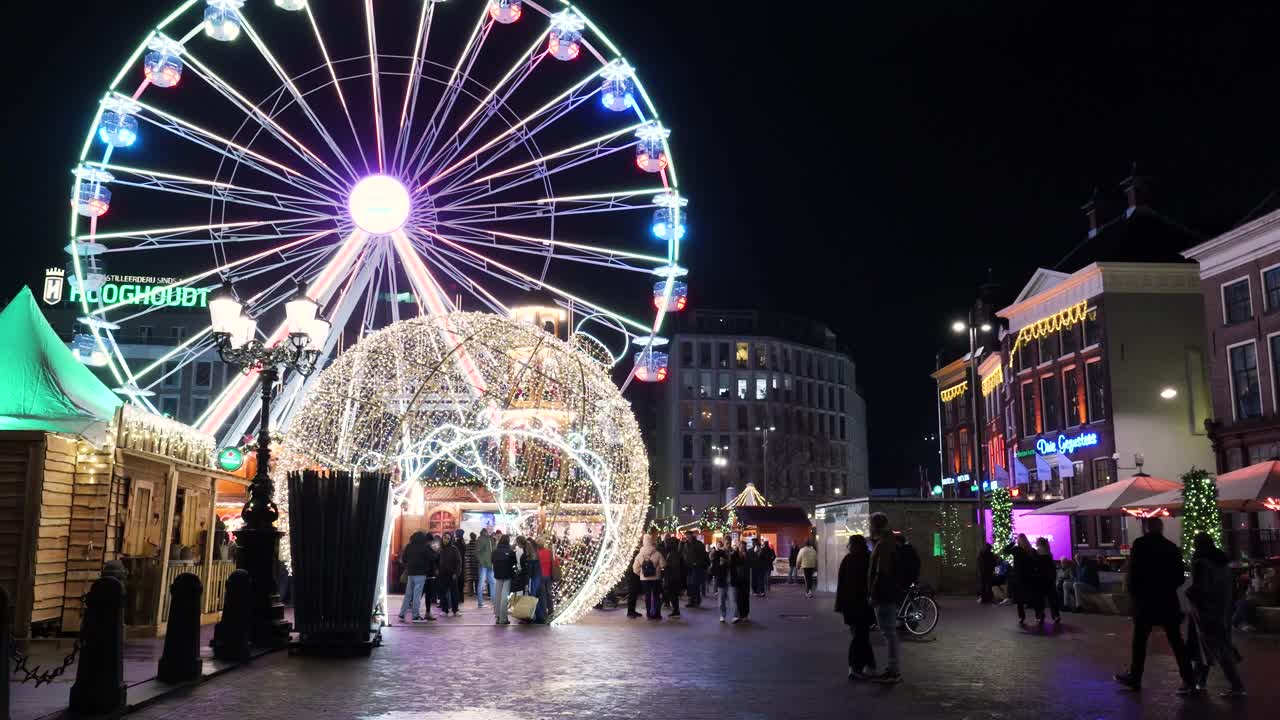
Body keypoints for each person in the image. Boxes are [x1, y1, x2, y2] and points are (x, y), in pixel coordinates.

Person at [1113, 517, 1197, 695]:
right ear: (1161, 528)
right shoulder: (1171, 547)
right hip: (1167, 601)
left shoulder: (1140, 544)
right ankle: (1189, 678)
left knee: (1140, 642)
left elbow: (1133, 574)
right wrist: (1167, 587)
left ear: (1146, 528)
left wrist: (1135, 595)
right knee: (1176, 640)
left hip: (1145, 601)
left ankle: (1135, 678)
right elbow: (1179, 577)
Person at [1186, 533, 1245, 697]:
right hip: (1223, 609)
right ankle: (1199, 682)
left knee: (1214, 647)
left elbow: (1201, 588)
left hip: (1205, 611)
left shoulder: (1200, 563)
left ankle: (1236, 685)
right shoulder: (1222, 562)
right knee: (1207, 647)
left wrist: (1190, 595)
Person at [868, 513, 902, 684]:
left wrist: (874, 594)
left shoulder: (884, 545)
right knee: (889, 632)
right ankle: (892, 669)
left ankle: (893, 670)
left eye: (871, 523)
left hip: (884, 595)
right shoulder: (886, 543)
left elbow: (882, 572)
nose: (869, 527)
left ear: (876, 526)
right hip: (887, 594)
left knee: (888, 632)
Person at [835, 534, 875, 680]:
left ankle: (865, 666)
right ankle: (859, 667)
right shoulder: (868, 559)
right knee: (861, 636)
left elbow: (841, 585)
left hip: (850, 605)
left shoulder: (848, 559)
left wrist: (839, 605)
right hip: (864, 605)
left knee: (859, 636)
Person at [397, 531, 430, 622]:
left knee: (408, 595)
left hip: (410, 573)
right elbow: (430, 558)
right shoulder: (425, 547)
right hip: (421, 574)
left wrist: (408, 566)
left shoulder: (409, 546)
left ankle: (402, 614)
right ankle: (415, 616)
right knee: (417, 595)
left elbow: (404, 559)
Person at [1005, 534, 1036, 626]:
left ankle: (1021, 617)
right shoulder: (1031, 550)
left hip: (1018, 577)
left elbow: (1005, 551)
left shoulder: (1017, 550)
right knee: (1032, 597)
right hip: (1029, 577)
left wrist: (1012, 542)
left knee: (1019, 600)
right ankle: (1039, 615)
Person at [633, 535, 665, 620]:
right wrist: (658, 570)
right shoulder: (657, 553)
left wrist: (641, 573)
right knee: (656, 596)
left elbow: (635, 568)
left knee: (647, 596)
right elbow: (663, 565)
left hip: (645, 579)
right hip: (656, 579)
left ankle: (649, 613)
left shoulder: (640, 555)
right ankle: (657, 614)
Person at [1033, 537, 1061, 627]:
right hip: (1049, 578)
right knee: (1052, 598)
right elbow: (1052, 568)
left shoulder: (1037, 553)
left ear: (1039, 543)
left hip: (1040, 578)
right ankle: (1056, 615)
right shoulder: (1049, 553)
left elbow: (1036, 566)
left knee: (1039, 599)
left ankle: (1040, 616)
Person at [491, 534, 517, 625]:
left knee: (497, 596)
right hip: (507, 576)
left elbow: (492, 561)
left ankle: (497, 617)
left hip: (497, 575)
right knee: (504, 597)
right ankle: (503, 618)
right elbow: (514, 562)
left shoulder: (495, 551)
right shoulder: (510, 552)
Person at [437, 532, 462, 617]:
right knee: (443, 593)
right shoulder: (440, 549)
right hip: (442, 574)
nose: (446, 540)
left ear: (450, 539)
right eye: (444, 538)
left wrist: (456, 573)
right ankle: (445, 609)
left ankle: (455, 610)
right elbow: (436, 561)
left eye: (448, 538)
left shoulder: (454, 549)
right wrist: (436, 570)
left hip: (452, 574)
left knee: (454, 592)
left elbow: (458, 562)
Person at [683, 532, 709, 608]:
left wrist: (697, 563)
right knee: (690, 584)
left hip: (696, 567)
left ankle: (695, 600)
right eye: (686, 536)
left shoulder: (698, 544)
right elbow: (684, 554)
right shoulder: (686, 544)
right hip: (688, 567)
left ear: (691, 536)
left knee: (695, 584)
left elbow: (703, 555)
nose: (687, 537)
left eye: (688, 535)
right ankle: (692, 600)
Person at [729, 540, 752, 623]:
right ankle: (737, 615)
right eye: (741, 547)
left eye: (743, 547)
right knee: (737, 598)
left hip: (745, 579)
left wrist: (746, 558)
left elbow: (750, 565)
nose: (742, 548)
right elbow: (732, 567)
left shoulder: (748, 555)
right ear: (738, 547)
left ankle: (745, 615)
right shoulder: (734, 555)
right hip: (737, 579)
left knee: (745, 597)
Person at [663, 537, 686, 618]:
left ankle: (676, 610)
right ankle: (675, 610)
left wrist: (666, 567)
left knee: (672, 594)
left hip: (672, 578)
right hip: (673, 577)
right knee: (673, 595)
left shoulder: (673, 554)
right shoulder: (674, 553)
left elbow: (674, 566)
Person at [709, 539, 730, 622]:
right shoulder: (718, 553)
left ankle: (736, 615)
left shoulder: (734, 552)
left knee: (733, 599)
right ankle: (722, 615)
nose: (728, 545)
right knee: (721, 599)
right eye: (727, 543)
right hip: (722, 578)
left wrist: (727, 561)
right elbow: (713, 563)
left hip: (732, 579)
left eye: (729, 543)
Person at [475, 528, 495, 609]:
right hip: (485, 564)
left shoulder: (489, 539)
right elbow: (477, 552)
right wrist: (482, 562)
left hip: (489, 564)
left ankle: (492, 602)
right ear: (485, 532)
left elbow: (492, 550)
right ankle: (481, 603)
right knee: (483, 583)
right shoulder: (482, 539)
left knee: (490, 582)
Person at [537, 538, 556, 623]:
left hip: (540, 576)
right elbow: (555, 562)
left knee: (543, 595)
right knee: (549, 593)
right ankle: (551, 611)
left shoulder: (537, 554)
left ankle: (544, 614)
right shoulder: (549, 552)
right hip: (549, 576)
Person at [625, 546, 643, 619]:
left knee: (632, 594)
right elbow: (635, 568)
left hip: (631, 577)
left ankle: (632, 610)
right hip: (633, 577)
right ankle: (631, 611)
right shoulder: (635, 558)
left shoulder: (630, 558)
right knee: (632, 594)